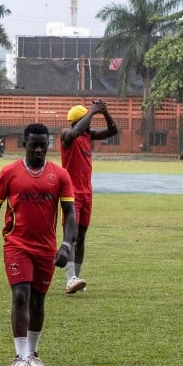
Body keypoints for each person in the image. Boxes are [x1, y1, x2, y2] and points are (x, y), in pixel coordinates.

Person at [0, 123, 77, 366]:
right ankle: (20, 357)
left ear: (48, 144)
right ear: (24, 144)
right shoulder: (9, 172)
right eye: (33, 144)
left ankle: (33, 354)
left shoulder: (60, 175)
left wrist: (67, 245)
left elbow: (70, 214)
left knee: (38, 300)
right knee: (21, 296)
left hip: (46, 248)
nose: (38, 149)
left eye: (42, 144)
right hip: (16, 245)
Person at [58, 100, 119, 294]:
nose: (90, 122)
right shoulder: (67, 136)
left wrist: (105, 113)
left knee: (82, 237)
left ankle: (76, 275)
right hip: (71, 194)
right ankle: (69, 279)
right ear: (80, 120)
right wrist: (92, 112)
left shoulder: (88, 135)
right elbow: (74, 132)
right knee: (72, 234)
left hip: (87, 193)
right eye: (86, 117)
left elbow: (113, 131)